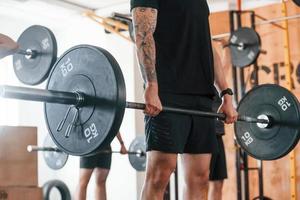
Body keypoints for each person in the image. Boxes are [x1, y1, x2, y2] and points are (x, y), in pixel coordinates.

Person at [131, 1, 238, 200]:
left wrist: (226, 93)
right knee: (159, 174)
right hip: (168, 94)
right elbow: (143, 34)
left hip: (202, 97)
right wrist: (151, 85)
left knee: (200, 178)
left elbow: (207, 46)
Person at [208, 39, 232, 200]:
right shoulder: (203, 81)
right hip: (204, 134)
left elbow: (226, 65)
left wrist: (226, 45)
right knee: (201, 181)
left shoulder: (218, 85)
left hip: (217, 135)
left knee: (218, 182)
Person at [75, 132, 127, 200]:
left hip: (105, 146)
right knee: (83, 182)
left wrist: (121, 144)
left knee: (101, 182)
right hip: (89, 145)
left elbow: (114, 126)